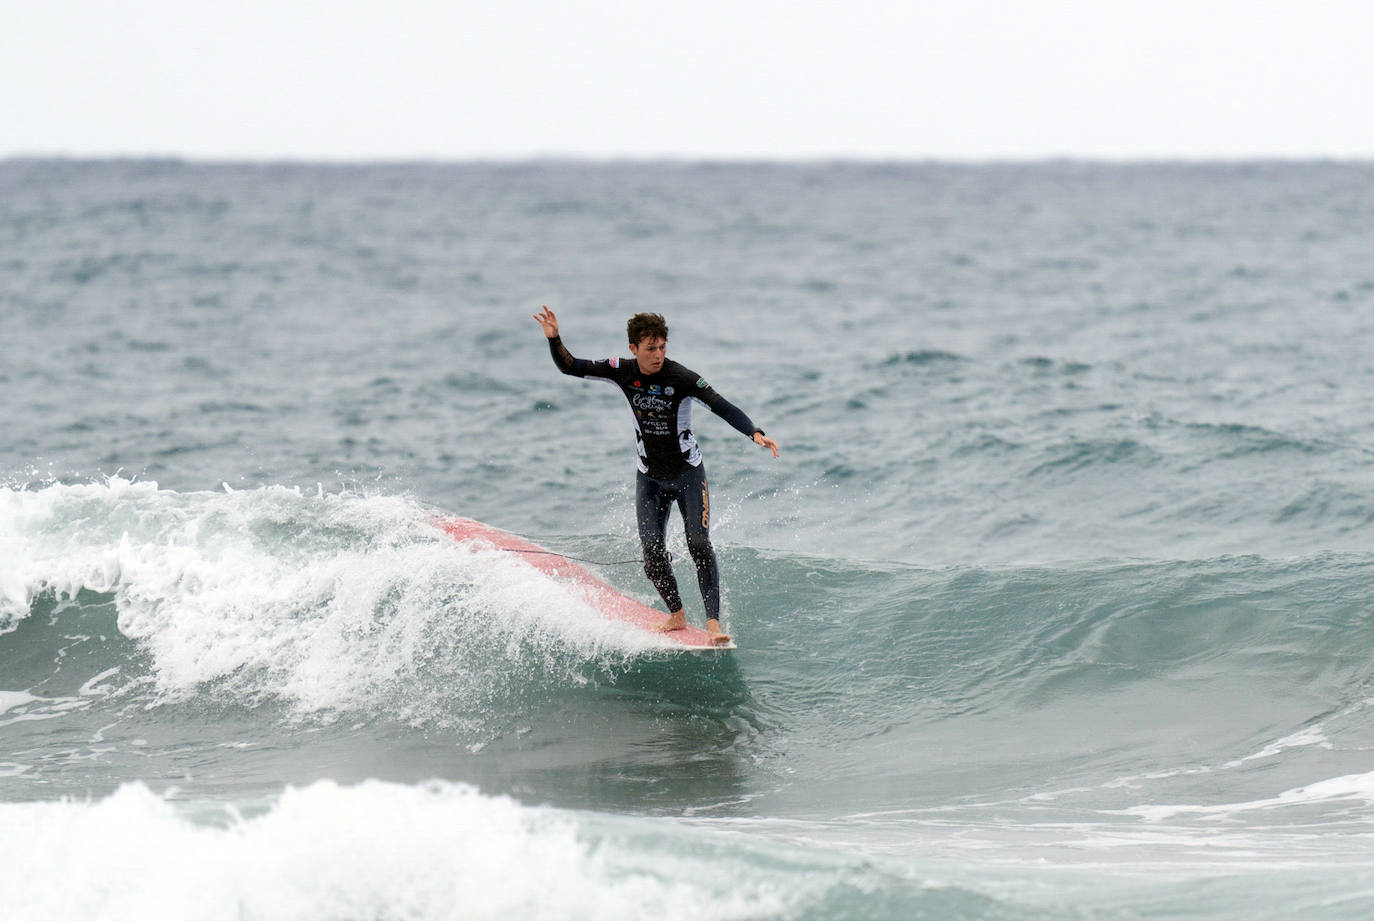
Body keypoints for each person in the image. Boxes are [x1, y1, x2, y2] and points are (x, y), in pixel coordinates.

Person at [532, 305, 779, 646]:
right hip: (649, 479)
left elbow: (722, 405)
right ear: (633, 348)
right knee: (652, 553)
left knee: (698, 543)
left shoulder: (682, 378)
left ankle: (713, 624)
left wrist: (754, 432)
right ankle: (676, 613)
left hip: (688, 474)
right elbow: (570, 366)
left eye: (663, 347)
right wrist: (554, 338)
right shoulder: (621, 371)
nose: (659, 355)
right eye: (651, 349)